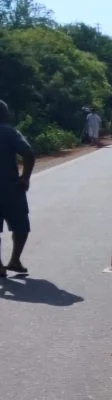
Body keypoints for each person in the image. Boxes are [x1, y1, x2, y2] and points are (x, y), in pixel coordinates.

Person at [0, 100, 35, 277]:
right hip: (10, 188)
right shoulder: (10, 132)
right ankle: (14, 260)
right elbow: (28, 153)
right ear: (5, 114)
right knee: (21, 226)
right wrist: (25, 178)